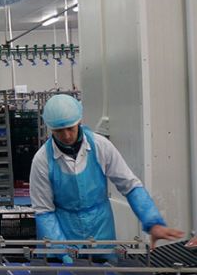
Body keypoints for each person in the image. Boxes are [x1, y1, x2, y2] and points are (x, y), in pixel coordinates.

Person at [30, 95, 183, 249]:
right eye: (59, 131)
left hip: (100, 231)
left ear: (79, 122)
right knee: (64, 265)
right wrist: (61, 250)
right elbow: (44, 211)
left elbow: (130, 186)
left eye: (70, 128)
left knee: (104, 264)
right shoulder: (42, 160)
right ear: (51, 129)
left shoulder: (100, 146)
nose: (66, 136)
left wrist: (152, 222)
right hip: (62, 231)